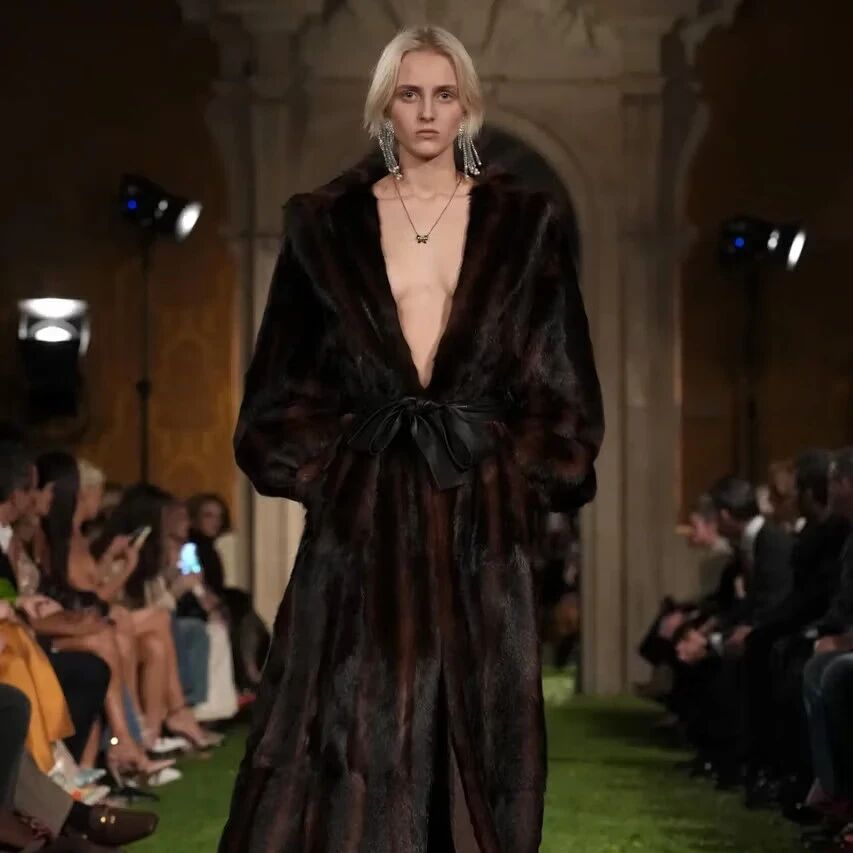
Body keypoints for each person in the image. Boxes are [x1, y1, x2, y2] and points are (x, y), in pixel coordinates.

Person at [219, 25, 603, 853]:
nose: (427, 112)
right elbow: (275, 398)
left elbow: (564, 391)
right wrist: (341, 470)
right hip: (365, 521)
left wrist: (508, 467)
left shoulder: (523, 225)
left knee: (477, 742)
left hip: (479, 518)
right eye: (408, 94)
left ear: (467, 106)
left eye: (443, 93)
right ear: (382, 107)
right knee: (347, 732)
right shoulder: (325, 228)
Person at [187, 493, 269, 692]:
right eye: (208, 515)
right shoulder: (192, 547)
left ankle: (252, 673)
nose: (215, 521)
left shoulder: (208, 547)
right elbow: (195, 581)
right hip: (196, 604)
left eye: (219, 516)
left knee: (248, 615)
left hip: (215, 599)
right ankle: (250, 675)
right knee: (243, 617)